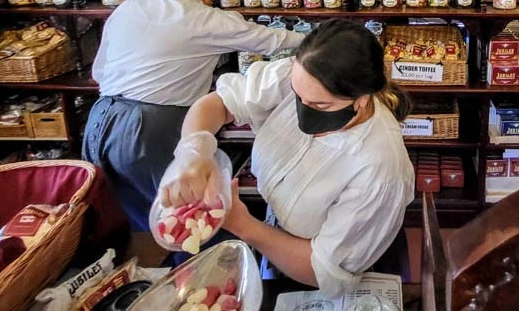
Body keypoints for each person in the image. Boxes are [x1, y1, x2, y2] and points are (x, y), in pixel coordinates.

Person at [160, 19, 415, 297]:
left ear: (362, 99)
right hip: (275, 240)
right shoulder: (302, 77)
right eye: (297, 96)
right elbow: (219, 103)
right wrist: (194, 152)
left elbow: (322, 271)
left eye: (320, 105)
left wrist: (242, 224)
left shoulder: (378, 166)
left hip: (329, 271)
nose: (303, 109)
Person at [83, 0, 304, 231]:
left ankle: (146, 269)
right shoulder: (202, 19)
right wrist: (321, 39)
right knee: (192, 219)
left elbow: (99, 71)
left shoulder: (131, 7)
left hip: (100, 119)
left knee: (126, 215)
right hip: (149, 128)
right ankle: (204, 271)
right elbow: (272, 39)